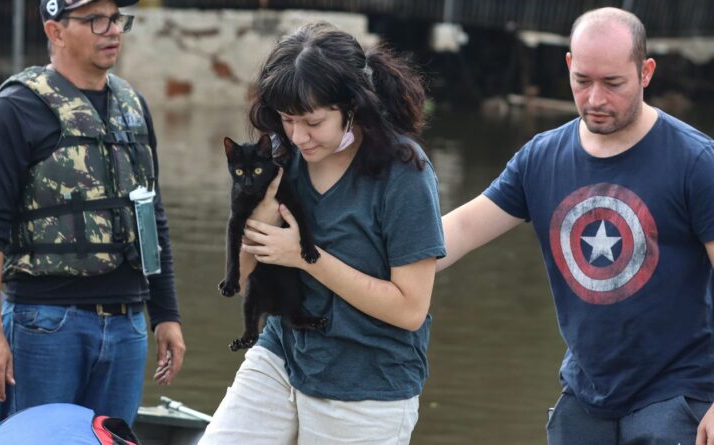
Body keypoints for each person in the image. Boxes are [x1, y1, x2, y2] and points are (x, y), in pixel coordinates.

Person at [437, 7, 714, 445]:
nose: (595, 99)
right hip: (586, 393)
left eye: (613, 83)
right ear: (568, 64)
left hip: (678, 391)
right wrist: (369, 259)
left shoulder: (697, 162)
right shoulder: (540, 158)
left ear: (646, 72)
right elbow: (462, 230)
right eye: (582, 80)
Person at [199, 23, 445, 445]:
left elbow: (409, 310)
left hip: (366, 383)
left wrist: (303, 256)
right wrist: (261, 215)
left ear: (353, 106)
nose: (298, 136)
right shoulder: (278, 158)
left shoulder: (405, 173)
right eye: (287, 120)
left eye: (313, 121)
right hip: (282, 354)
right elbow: (242, 280)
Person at [0, 0, 185, 425]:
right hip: (45, 325)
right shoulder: (15, 108)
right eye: (95, 20)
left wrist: (166, 315)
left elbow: (151, 215)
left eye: (116, 18)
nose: (113, 29)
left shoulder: (133, 106)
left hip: (127, 325)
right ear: (56, 31)